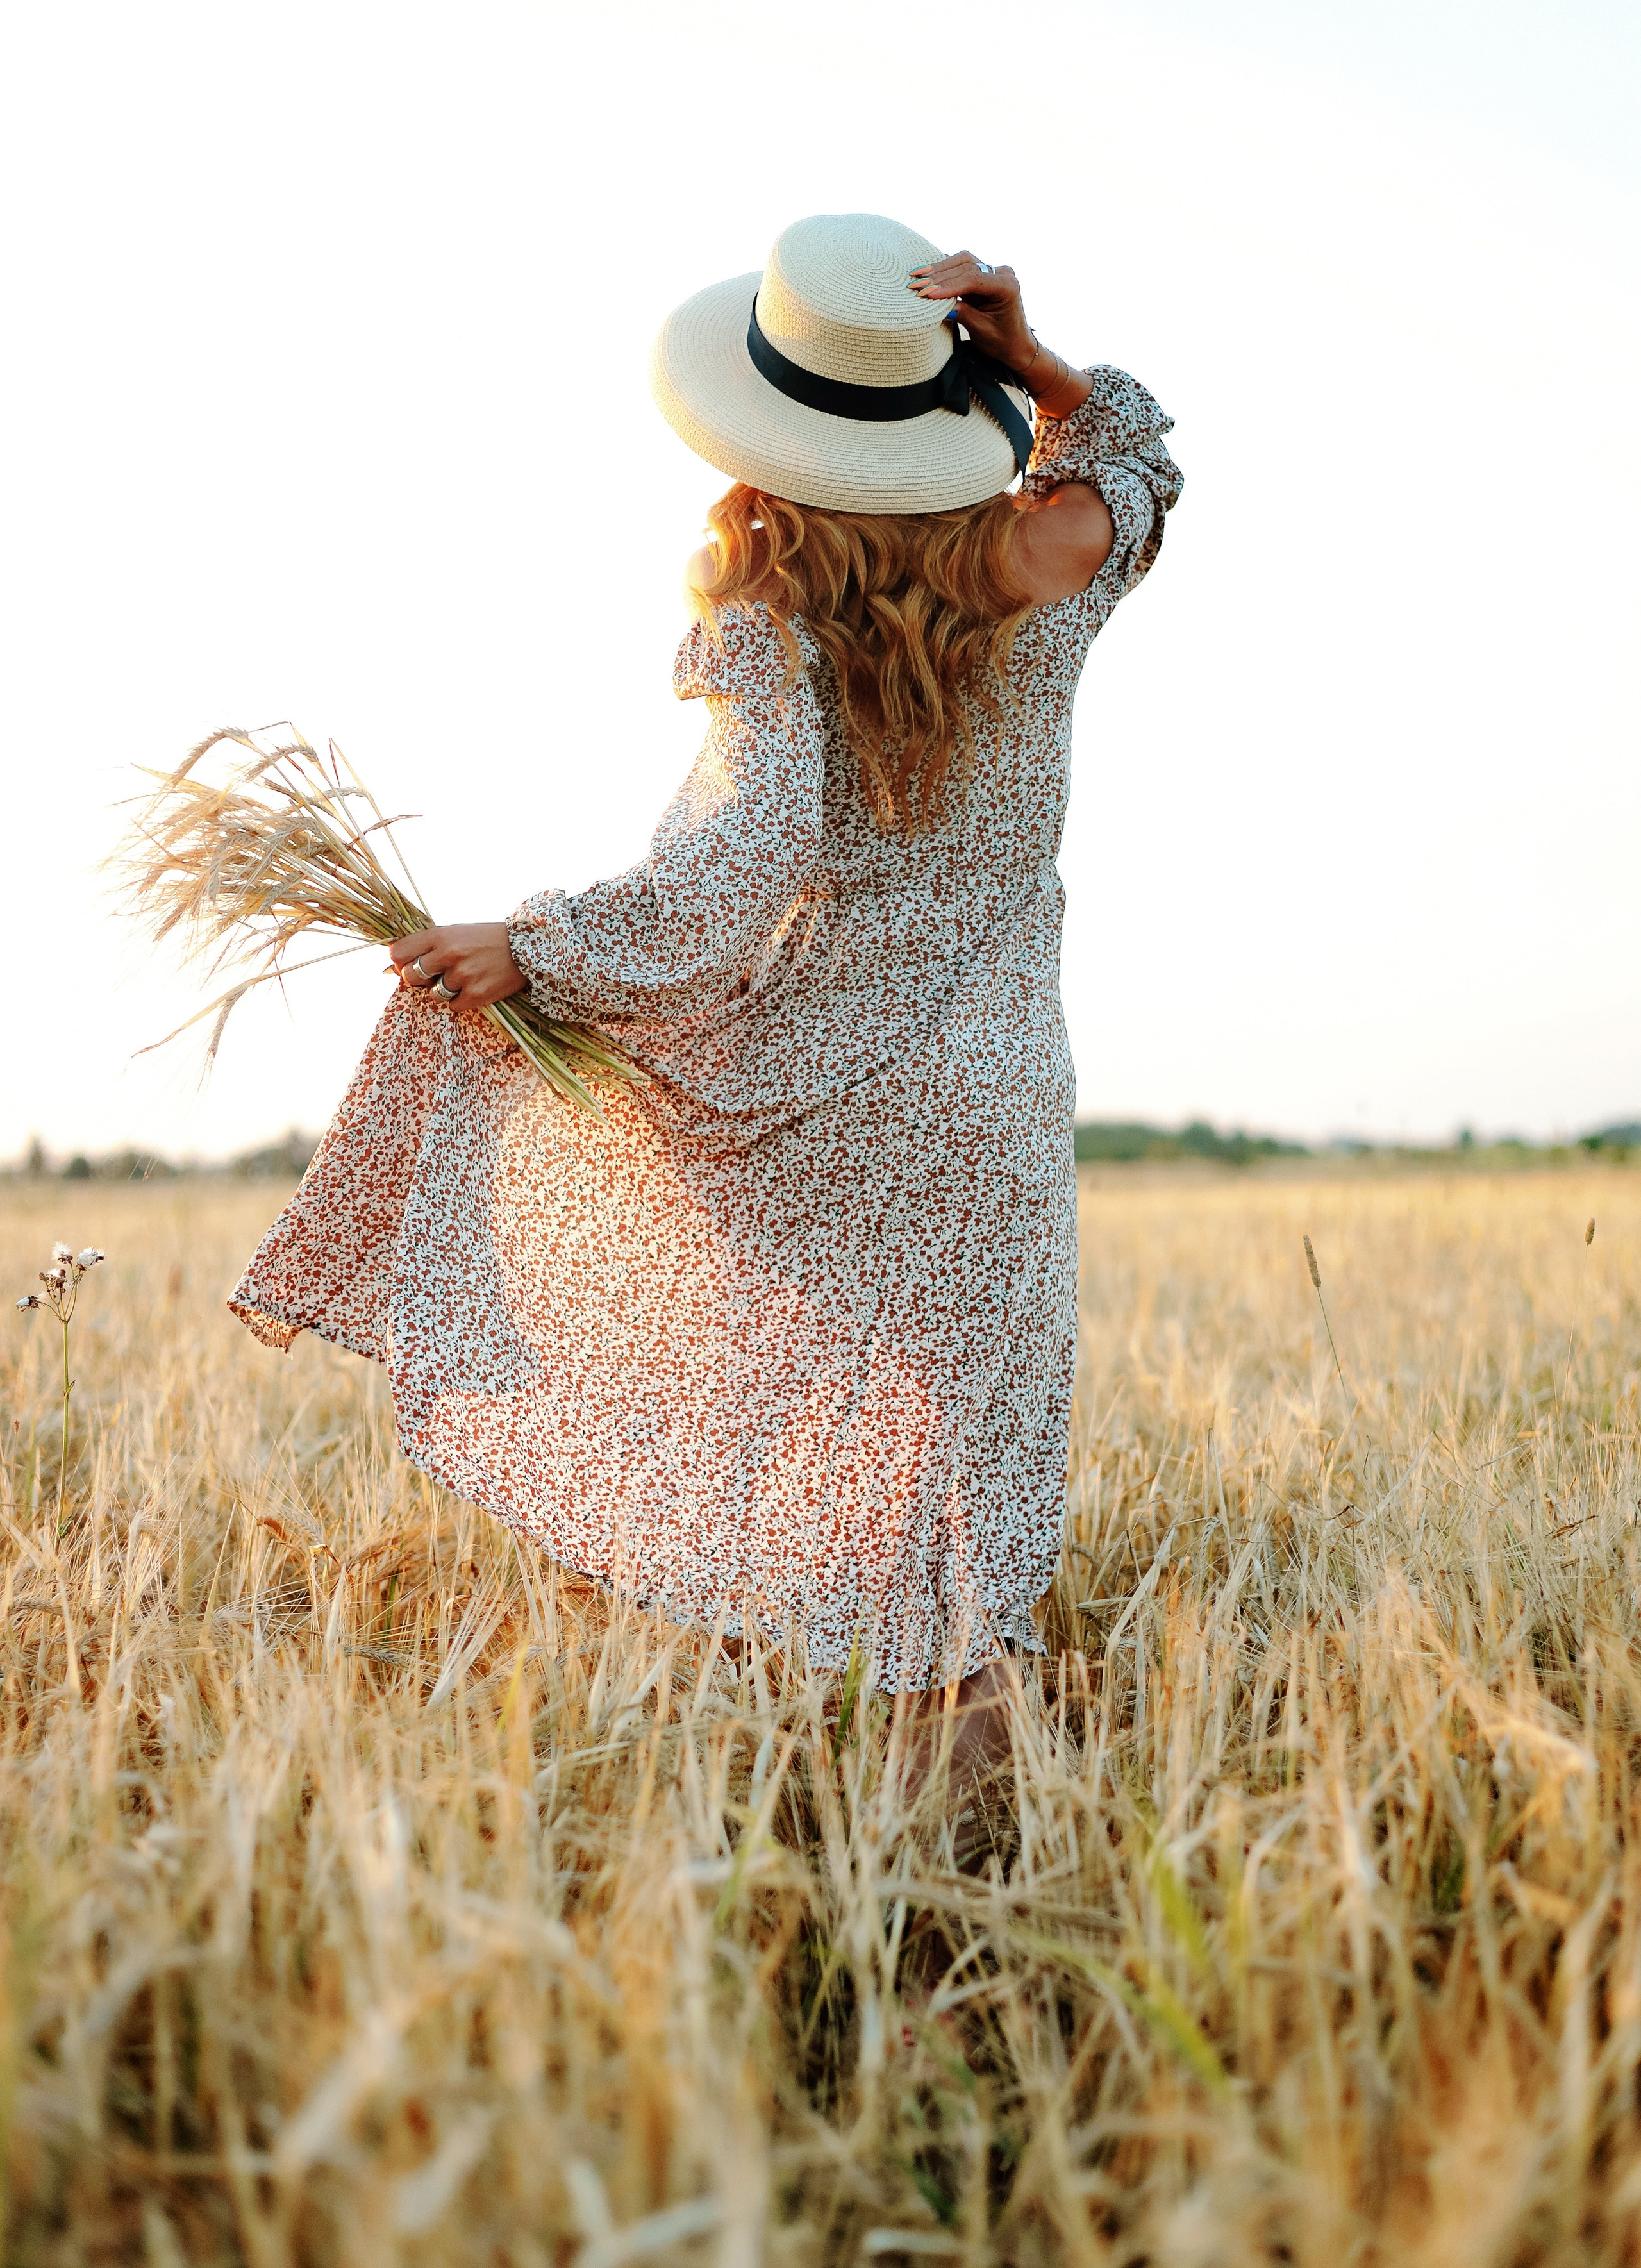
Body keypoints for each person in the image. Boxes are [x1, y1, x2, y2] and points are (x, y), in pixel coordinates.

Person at [229, 212, 1181, 1763]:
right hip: (995, 1106)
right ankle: (986, 1917)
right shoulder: (1051, 557)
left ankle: (755, 1758)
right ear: (949, 397)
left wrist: (536, 947)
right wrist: (1038, 366)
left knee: (741, 1412)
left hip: (815, 1097)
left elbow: (738, 868)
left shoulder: (771, 618)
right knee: (961, 1527)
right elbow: (1135, 456)